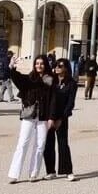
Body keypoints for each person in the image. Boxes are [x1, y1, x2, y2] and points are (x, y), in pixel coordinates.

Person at [6, 55, 53, 183]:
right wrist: (12, 67)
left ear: (46, 65)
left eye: (41, 63)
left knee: (40, 145)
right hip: (29, 114)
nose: (39, 66)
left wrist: (52, 117)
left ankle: (33, 173)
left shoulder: (50, 80)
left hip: (43, 116)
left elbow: (53, 100)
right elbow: (17, 79)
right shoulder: (30, 78)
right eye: (37, 63)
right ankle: (14, 174)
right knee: (22, 143)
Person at [43, 57, 78, 181]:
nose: (57, 67)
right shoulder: (51, 81)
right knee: (48, 143)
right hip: (49, 116)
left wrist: (62, 118)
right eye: (56, 65)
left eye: (60, 66)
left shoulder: (71, 83)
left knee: (63, 143)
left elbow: (70, 103)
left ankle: (68, 170)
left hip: (62, 116)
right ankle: (50, 170)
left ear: (66, 68)